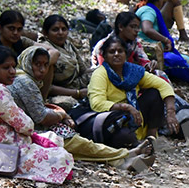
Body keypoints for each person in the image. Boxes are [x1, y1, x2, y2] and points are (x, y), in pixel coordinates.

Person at [10, 46, 155, 173]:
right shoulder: (26, 82)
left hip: (27, 128)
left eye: (45, 65)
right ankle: (125, 155)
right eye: (37, 64)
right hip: (25, 132)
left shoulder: (26, 79)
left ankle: (123, 160)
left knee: (79, 146)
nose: (42, 70)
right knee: (77, 143)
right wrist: (61, 114)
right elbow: (41, 116)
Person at [0, 45, 74, 184]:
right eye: (6, 68)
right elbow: (26, 126)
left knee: (53, 139)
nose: (13, 71)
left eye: (13, 66)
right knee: (61, 158)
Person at [89, 35, 179, 145]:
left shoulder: (133, 71)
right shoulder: (100, 74)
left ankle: (151, 137)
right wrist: (126, 107)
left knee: (154, 93)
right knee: (124, 136)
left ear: (126, 55)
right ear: (105, 56)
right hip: (114, 119)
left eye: (120, 51)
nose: (116, 54)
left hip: (136, 116)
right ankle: (136, 145)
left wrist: (171, 113)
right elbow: (97, 103)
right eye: (112, 52)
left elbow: (163, 85)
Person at [39, 14, 91, 106]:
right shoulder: (45, 51)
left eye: (64, 29)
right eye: (55, 30)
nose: (60, 33)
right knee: (70, 104)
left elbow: (83, 69)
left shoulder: (68, 44)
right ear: (45, 33)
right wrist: (77, 93)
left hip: (78, 84)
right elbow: (47, 87)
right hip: (59, 93)